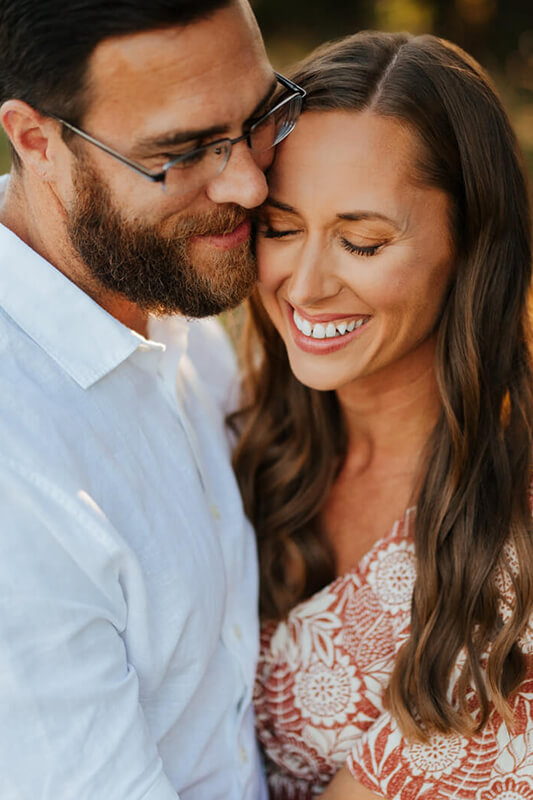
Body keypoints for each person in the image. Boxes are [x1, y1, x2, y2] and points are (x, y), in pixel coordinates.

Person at [0, 1, 306, 798]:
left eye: (261, 115)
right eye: (181, 150)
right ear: (37, 142)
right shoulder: (16, 472)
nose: (247, 182)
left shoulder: (170, 295)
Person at [232, 31, 533, 799]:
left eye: (362, 242)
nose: (303, 286)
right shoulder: (231, 438)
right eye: (281, 227)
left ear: (470, 244)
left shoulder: (514, 529)